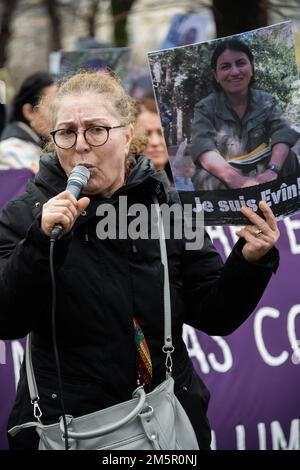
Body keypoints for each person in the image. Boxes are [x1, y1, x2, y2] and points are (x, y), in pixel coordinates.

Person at [0, 71, 280, 450]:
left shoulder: (168, 206)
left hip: (165, 421)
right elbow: (7, 318)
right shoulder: (25, 213)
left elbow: (217, 314)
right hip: (70, 425)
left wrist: (250, 259)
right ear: (53, 141)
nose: (81, 146)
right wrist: (39, 240)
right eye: (66, 132)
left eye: (96, 130)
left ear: (128, 135)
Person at [191, 39, 300, 191]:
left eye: (240, 63)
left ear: (252, 68)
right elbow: (203, 148)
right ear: (216, 75)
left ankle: (287, 209)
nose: (235, 72)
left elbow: (282, 132)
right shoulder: (204, 108)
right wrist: (238, 181)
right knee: (203, 177)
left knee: (289, 158)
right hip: (227, 175)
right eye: (225, 66)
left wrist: (272, 170)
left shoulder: (267, 101)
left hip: (263, 170)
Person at [0, 71, 56, 173]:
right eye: (53, 107)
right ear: (29, 112)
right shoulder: (10, 151)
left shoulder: (37, 143)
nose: (60, 115)